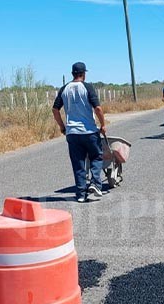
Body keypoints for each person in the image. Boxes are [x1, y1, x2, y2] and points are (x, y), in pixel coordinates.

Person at [53, 62, 107, 203]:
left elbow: (55, 109)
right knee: (96, 156)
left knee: (78, 163)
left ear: (72, 74)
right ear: (83, 74)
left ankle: (81, 194)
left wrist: (62, 126)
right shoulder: (87, 87)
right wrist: (103, 125)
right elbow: (98, 109)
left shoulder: (64, 89)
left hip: (72, 132)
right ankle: (95, 184)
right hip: (89, 130)